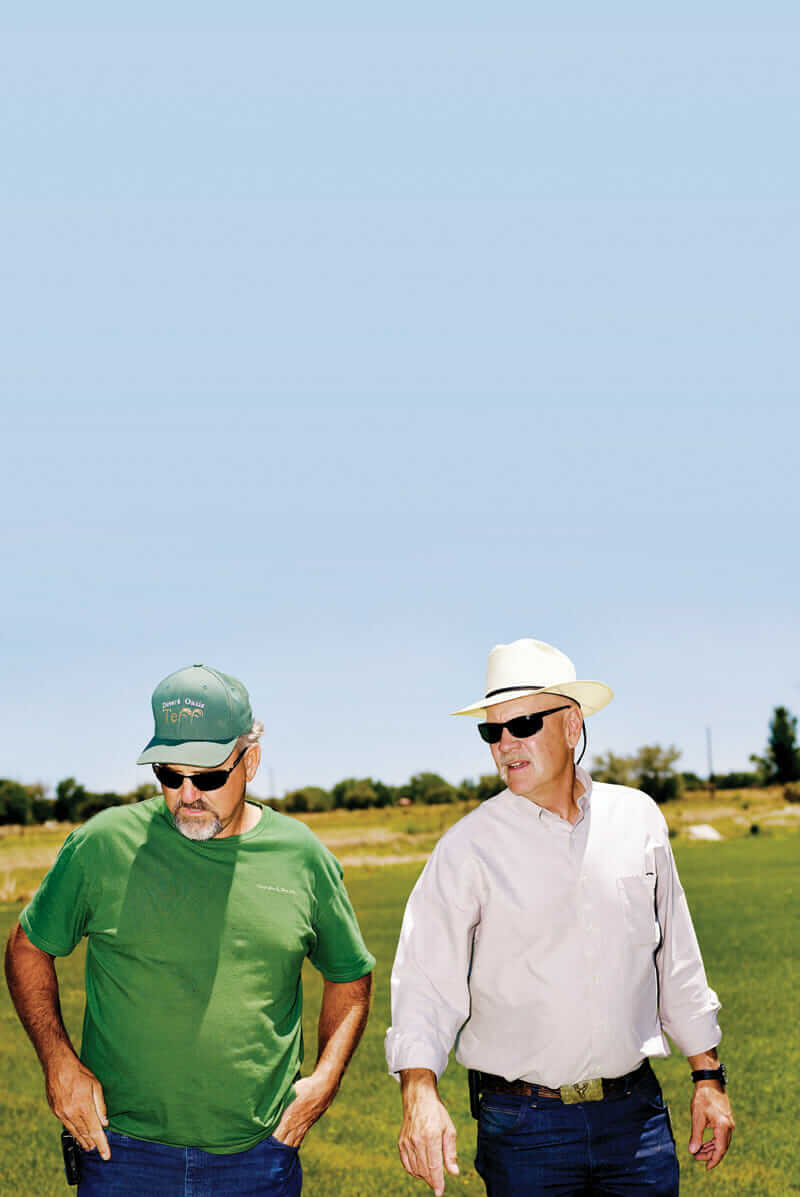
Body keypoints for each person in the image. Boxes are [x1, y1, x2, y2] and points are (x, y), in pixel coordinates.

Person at [6, 664, 375, 1196]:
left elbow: (350, 976)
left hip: (257, 1157)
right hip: (118, 1153)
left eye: (207, 777)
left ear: (251, 759)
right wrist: (58, 1061)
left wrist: (325, 1079)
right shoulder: (103, 845)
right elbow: (27, 946)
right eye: (168, 775)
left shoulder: (302, 857)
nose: (186, 795)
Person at [385, 638, 734, 1196]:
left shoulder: (638, 819)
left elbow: (677, 960)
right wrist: (419, 1093)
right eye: (490, 731)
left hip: (636, 1122)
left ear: (572, 725)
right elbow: (424, 984)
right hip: (524, 1129)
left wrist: (708, 1077)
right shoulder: (466, 848)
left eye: (521, 724)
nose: (504, 745)